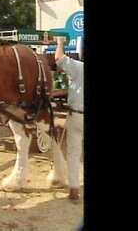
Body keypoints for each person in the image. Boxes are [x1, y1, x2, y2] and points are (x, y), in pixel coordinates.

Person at [54, 37, 84, 201]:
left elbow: (58, 58)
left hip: (77, 115)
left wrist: (59, 43)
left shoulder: (80, 68)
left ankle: (74, 187)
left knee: (73, 153)